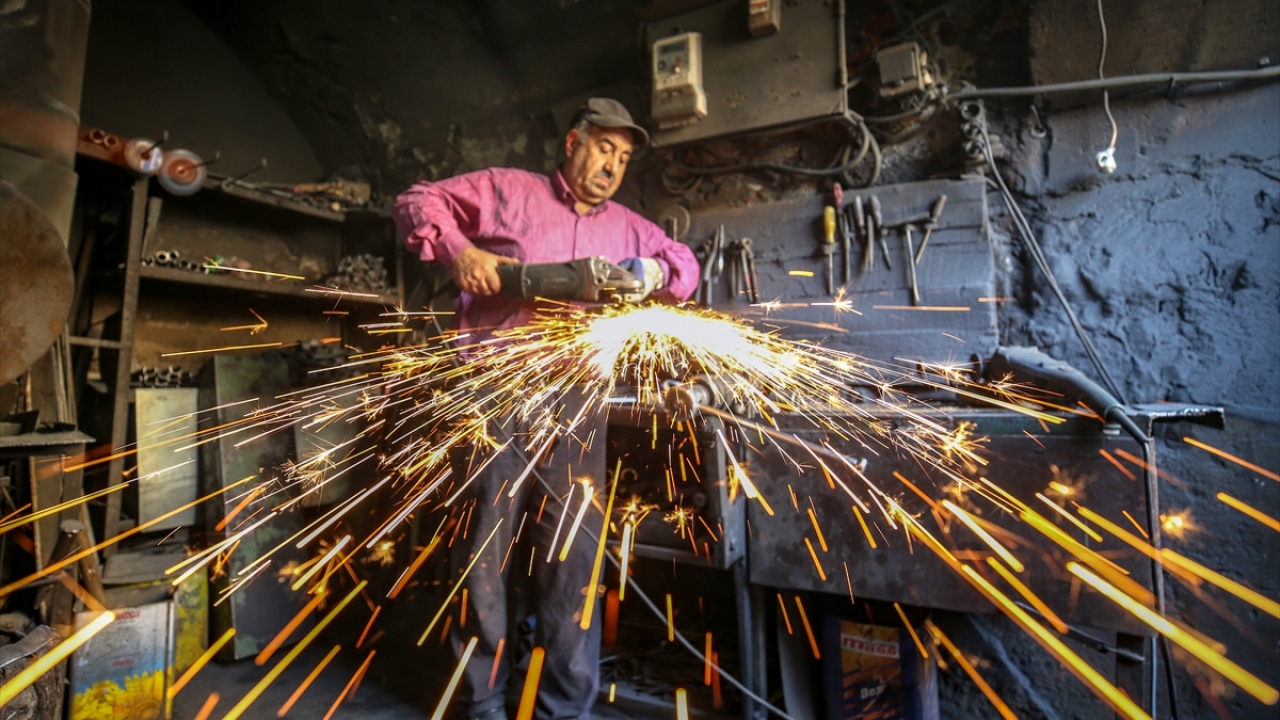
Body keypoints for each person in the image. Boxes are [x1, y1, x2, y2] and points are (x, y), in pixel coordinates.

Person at [394, 98, 699, 720]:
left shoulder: (629, 228)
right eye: (603, 149)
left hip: (577, 404)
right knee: (483, 558)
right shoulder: (509, 191)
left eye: (623, 157)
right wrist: (459, 250)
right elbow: (415, 200)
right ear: (572, 143)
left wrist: (653, 272)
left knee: (573, 567)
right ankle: (479, 705)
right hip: (498, 396)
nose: (612, 166)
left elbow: (684, 266)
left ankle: (563, 709)